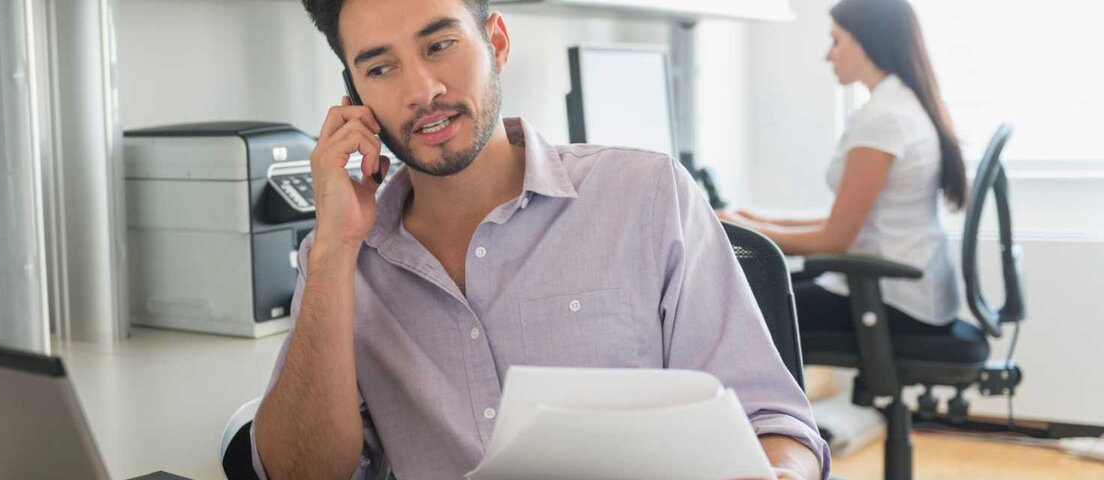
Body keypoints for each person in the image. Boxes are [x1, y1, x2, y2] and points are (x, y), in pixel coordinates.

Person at [252, 0, 828, 478]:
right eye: (380, 69)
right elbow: (299, 473)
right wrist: (332, 251)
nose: (421, 90)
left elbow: (773, 421)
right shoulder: (341, 256)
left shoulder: (648, 197)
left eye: (439, 45)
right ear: (353, 100)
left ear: (496, 42)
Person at [718, 0, 965, 337]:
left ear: (867, 41)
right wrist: (751, 221)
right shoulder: (901, 105)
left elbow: (835, 239)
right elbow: (848, 223)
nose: (828, 55)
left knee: (730, 313)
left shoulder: (885, 119)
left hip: (892, 301)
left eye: (836, 41)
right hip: (907, 291)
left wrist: (737, 231)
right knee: (757, 293)